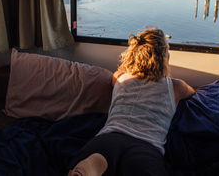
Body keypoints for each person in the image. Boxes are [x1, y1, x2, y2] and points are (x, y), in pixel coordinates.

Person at [68, 29, 196, 176]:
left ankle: (92, 166)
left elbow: (120, 75)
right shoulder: (176, 86)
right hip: (146, 147)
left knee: (97, 158)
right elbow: (194, 92)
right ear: (164, 58)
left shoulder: (120, 77)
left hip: (108, 138)